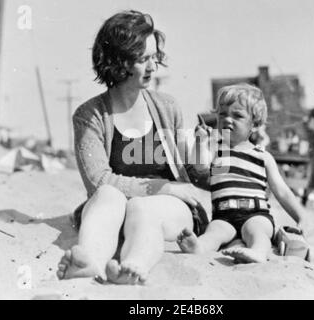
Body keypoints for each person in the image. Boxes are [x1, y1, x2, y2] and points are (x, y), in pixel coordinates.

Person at [56, 10, 210, 285]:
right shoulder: (89, 115)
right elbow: (98, 181)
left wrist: (202, 149)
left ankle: (133, 266)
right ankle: (89, 261)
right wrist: (162, 187)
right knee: (106, 193)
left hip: (168, 207)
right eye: (143, 59)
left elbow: (194, 174)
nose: (152, 67)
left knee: (142, 207)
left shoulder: (167, 106)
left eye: (154, 58)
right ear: (118, 62)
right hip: (116, 209)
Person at [177, 84, 307, 263]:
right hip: (224, 215)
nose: (228, 119)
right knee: (214, 232)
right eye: (223, 114)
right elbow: (200, 167)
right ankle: (199, 247)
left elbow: (282, 191)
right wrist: (200, 142)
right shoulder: (215, 150)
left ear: (255, 124)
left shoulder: (262, 156)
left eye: (237, 115)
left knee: (257, 232)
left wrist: (300, 217)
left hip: (256, 213)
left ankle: (258, 252)